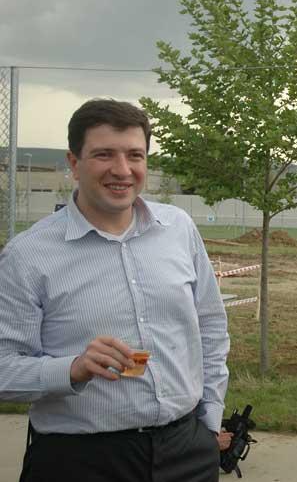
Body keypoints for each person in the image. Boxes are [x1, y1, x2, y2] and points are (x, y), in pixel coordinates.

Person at [0, 99, 230, 482]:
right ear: (73, 163)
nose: (122, 170)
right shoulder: (28, 255)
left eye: (134, 155)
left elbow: (210, 328)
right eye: (104, 154)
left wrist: (208, 422)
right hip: (80, 462)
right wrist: (71, 368)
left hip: (186, 453)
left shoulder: (178, 229)